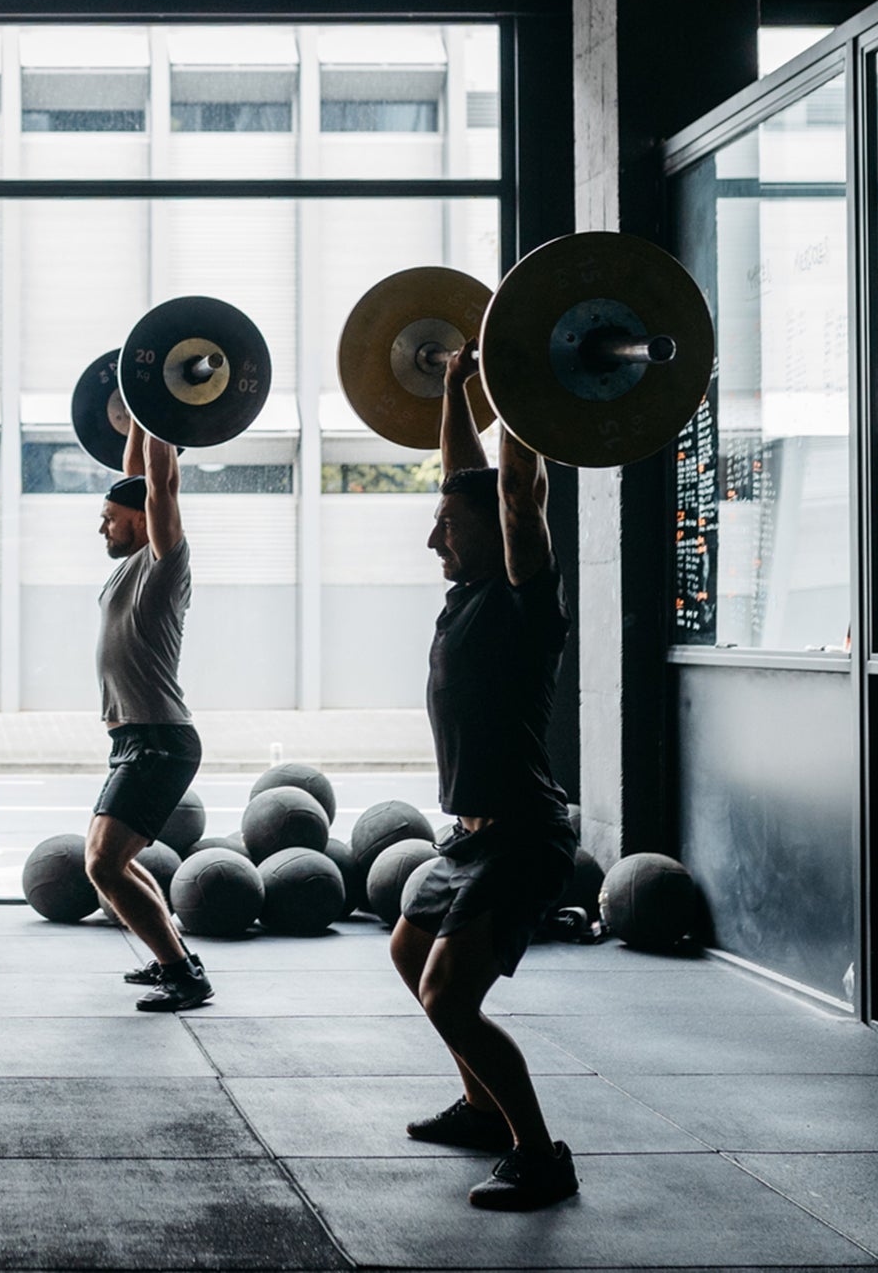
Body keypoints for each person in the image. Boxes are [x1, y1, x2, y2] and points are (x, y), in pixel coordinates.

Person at [390, 338, 580, 1211]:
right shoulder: (466, 590)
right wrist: (461, 387)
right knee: (408, 949)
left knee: (450, 997)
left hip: (523, 834)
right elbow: (463, 475)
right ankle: (480, 1107)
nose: (435, 536)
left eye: (446, 526)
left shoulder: (520, 596)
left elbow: (510, 491)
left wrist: (518, 385)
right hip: (468, 835)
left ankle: (540, 1156)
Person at [89, 418, 212, 1012]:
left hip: (160, 739)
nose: (102, 528)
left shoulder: (164, 566)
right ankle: (177, 960)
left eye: (109, 519)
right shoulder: (131, 564)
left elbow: (159, 483)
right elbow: (138, 474)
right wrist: (140, 414)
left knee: (104, 865)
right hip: (136, 740)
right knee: (111, 864)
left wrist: (163, 407)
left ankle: (183, 976)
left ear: (139, 521)